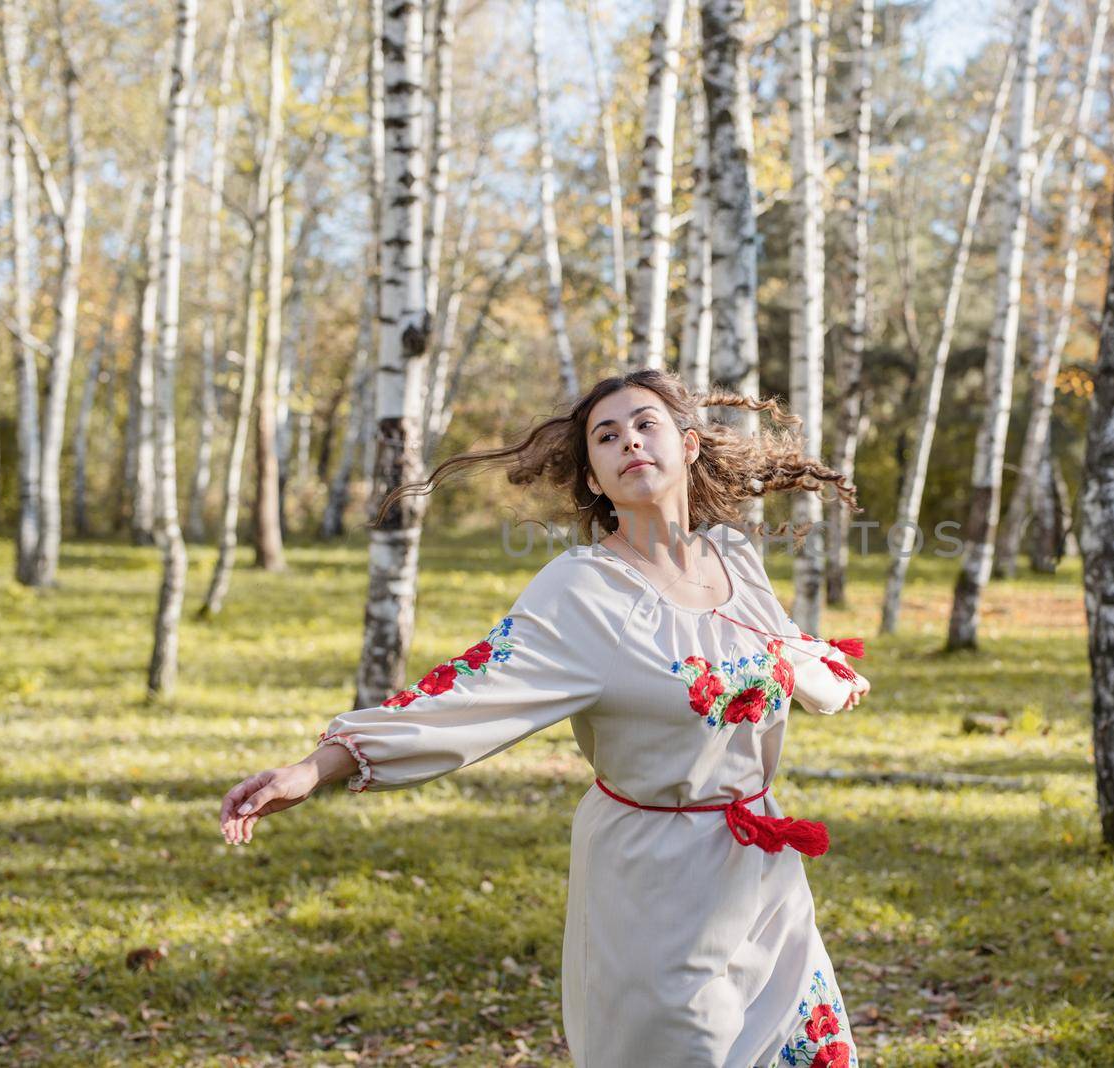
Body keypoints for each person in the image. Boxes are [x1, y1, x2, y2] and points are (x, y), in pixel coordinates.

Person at [219, 368, 871, 1067]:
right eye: (607, 436)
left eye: (645, 425)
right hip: (656, 880)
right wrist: (318, 766)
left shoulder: (734, 557)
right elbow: (469, 691)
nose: (629, 442)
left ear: (686, 446)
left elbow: (775, 642)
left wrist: (825, 674)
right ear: (593, 476)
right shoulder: (583, 591)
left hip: (763, 874)